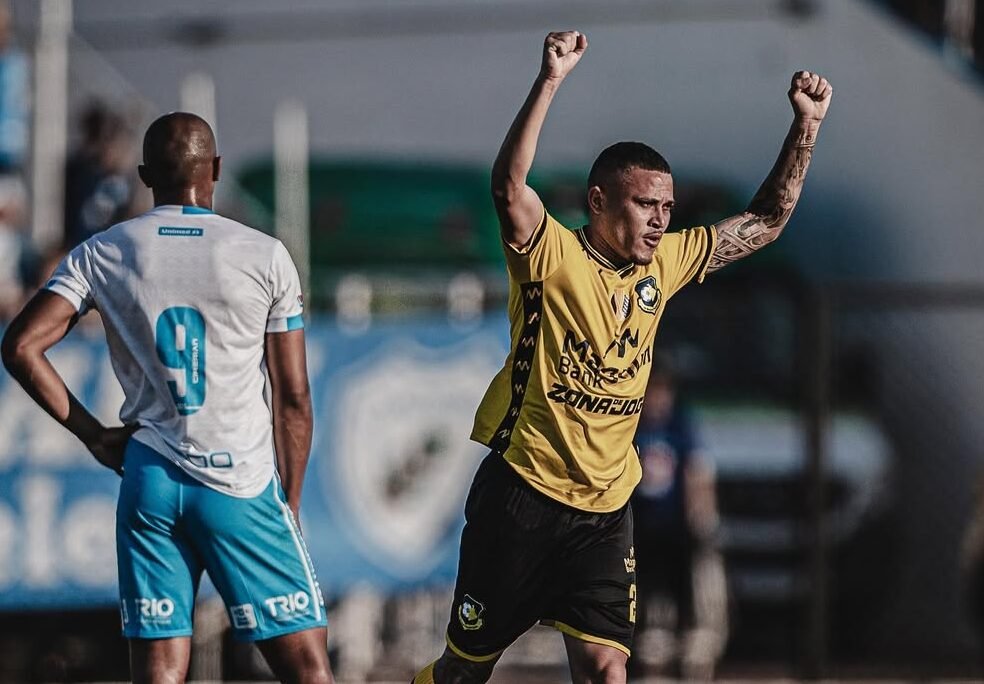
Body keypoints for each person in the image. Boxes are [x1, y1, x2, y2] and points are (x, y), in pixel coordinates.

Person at [412, 30, 831, 684]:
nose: (660, 220)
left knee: (608, 671)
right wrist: (550, 80)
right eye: (645, 204)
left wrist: (806, 126)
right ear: (599, 201)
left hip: (605, 511)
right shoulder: (552, 255)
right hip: (523, 498)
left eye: (667, 207)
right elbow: (508, 187)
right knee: (464, 673)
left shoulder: (665, 263)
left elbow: (765, 222)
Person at [1, 113, 335, 684]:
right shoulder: (263, 254)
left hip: (150, 477)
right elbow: (294, 398)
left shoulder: (103, 251)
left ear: (144, 175)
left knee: (159, 674)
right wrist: (292, 504)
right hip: (239, 483)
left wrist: (94, 435)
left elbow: (20, 346)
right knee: (308, 668)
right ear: (216, 169)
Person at [631, 359, 727, 680]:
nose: (657, 398)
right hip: (642, 529)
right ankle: (643, 653)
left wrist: (701, 515)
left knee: (684, 590)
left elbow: (697, 472)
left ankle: (687, 651)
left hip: (675, 530)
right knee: (643, 595)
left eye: (662, 391)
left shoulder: (680, 425)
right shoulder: (633, 426)